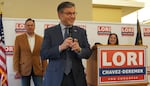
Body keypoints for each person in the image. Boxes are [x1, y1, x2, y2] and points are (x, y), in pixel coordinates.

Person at [40, 1, 92, 86]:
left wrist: (79, 49)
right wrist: (60, 47)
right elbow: (43, 54)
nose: (72, 16)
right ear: (60, 15)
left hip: (77, 78)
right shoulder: (50, 32)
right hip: (55, 77)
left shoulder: (81, 32)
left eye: (74, 13)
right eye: (69, 13)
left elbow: (88, 53)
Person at [13, 18, 47, 86]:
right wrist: (16, 70)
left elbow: (44, 55)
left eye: (32, 25)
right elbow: (16, 55)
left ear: (34, 26)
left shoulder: (41, 39)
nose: (30, 27)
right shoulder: (19, 39)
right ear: (25, 26)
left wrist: (45, 69)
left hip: (37, 69)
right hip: (24, 69)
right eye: (28, 25)